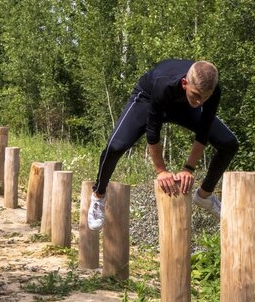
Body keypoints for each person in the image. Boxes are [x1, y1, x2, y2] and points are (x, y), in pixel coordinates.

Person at [87, 59, 238, 230]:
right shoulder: (164, 82)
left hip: (183, 107)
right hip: (148, 99)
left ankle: (204, 195)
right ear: (184, 83)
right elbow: (153, 129)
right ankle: (98, 196)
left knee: (229, 144)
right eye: (196, 95)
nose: (200, 103)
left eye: (205, 97)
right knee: (115, 146)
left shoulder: (211, 90)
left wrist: (188, 169)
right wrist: (161, 171)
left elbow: (204, 130)